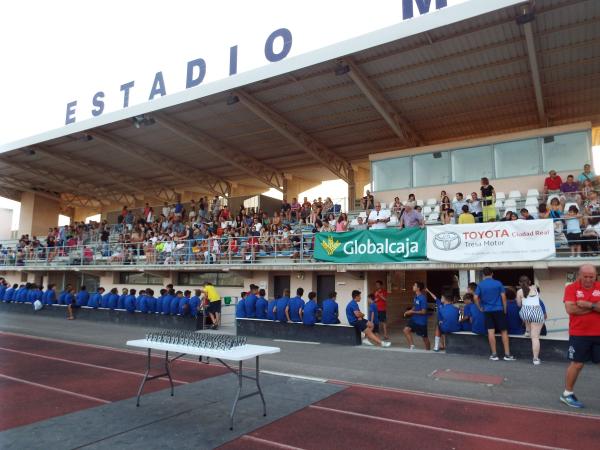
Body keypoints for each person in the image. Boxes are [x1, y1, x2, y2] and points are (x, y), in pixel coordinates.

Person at [560, 264, 600, 408]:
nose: (589, 279)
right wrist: (596, 307)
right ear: (579, 275)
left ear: (595, 275)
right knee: (577, 364)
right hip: (579, 333)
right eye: (585, 276)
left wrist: (587, 305)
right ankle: (567, 394)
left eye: (591, 276)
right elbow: (570, 309)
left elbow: (578, 308)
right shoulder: (571, 288)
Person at [474, 267, 515, 361]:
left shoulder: (480, 285)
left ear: (483, 275)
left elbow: (475, 297)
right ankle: (507, 354)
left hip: (487, 311)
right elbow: (504, 297)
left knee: (490, 332)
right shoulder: (498, 283)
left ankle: (494, 354)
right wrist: (504, 309)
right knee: (504, 331)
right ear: (492, 273)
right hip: (499, 309)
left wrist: (480, 307)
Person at [516, 276, 546, 365]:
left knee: (526, 314)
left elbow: (518, 305)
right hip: (537, 313)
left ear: (519, 283)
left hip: (525, 314)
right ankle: (535, 359)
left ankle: (527, 330)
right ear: (529, 282)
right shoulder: (535, 288)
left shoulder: (519, 292)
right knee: (535, 338)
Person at [403, 282, 431, 350]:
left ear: (418, 288)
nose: (413, 286)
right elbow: (414, 307)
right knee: (406, 330)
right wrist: (408, 311)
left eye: (414, 285)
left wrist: (412, 311)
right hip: (414, 319)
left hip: (421, 322)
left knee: (425, 338)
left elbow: (424, 311)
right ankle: (412, 345)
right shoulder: (415, 297)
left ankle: (428, 350)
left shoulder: (423, 298)